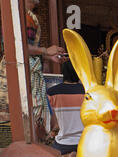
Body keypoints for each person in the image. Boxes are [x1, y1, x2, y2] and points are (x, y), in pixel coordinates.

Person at [25, 0, 66, 141]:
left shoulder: (30, 16)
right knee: (34, 113)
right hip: (25, 72)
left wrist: (49, 55)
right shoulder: (26, 16)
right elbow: (21, 47)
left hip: (31, 70)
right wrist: (46, 51)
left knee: (39, 113)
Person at [47, 61, 85, 157]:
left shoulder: (52, 92)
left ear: (63, 73)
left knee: (50, 154)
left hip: (63, 144)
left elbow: (54, 123)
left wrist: (52, 132)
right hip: (85, 143)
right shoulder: (87, 92)